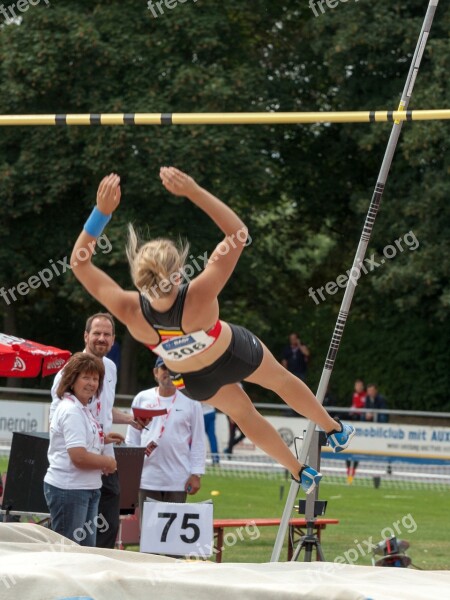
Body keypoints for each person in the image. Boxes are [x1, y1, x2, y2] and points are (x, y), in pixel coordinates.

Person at [70, 167, 355, 495]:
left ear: (138, 278)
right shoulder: (199, 294)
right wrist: (193, 191)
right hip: (233, 353)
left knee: (244, 414)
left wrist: (101, 212)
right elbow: (237, 232)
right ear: (179, 275)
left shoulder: (129, 309)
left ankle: (296, 470)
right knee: (281, 381)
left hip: (193, 381)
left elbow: (79, 263)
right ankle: (333, 429)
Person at [50, 312, 140, 548]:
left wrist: (128, 420)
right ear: (86, 335)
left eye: (107, 334)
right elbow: (67, 419)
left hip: (104, 456)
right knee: (74, 537)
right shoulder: (67, 374)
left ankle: (98, 575)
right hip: (77, 467)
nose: (102, 338)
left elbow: (102, 410)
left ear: (113, 339)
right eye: (97, 333)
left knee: (106, 526)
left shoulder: (109, 367)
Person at [44, 353, 119, 546]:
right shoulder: (72, 410)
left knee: (83, 555)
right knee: (70, 555)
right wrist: (108, 462)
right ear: (72, 379)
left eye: (95, 379)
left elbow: (83, 443)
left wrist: (104, 441)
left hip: (86, 488)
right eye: (86, 377)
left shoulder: (82, 407)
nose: (92, 383)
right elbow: (78, 456)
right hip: (70, 489)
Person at [125, 356, 205, 517]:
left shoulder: (191, 401)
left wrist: (196, 474)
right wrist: (130, 473)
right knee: (148, 531)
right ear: (156, 372)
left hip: (178, 479)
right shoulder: (142, 398)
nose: (169, 373)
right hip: (147, 477)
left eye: (174, 369)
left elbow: (198, 441)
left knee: (173, 535)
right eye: (164, 368)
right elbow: (132, 438)